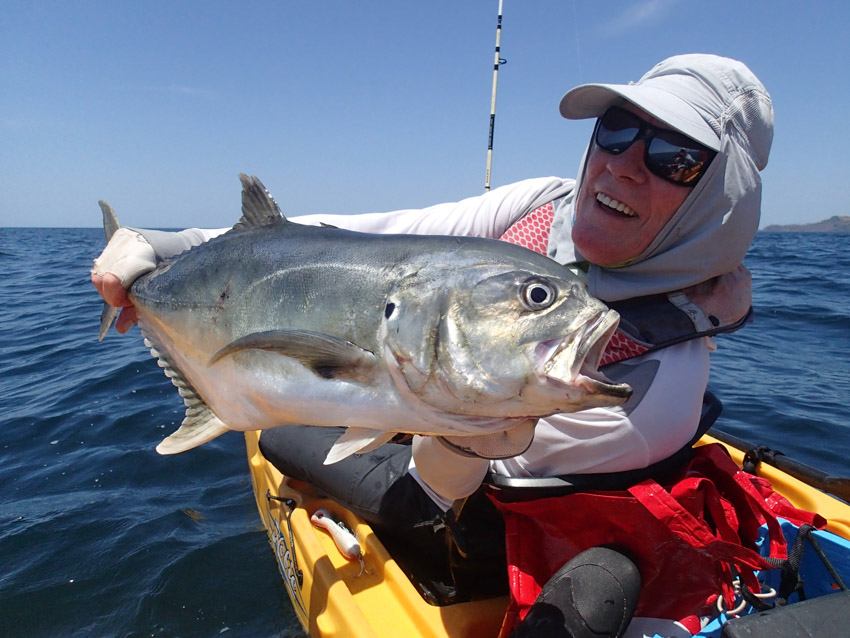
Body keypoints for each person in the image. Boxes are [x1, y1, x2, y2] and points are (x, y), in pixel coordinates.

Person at [92, 54, 773, 637]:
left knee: (276, 441)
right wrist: (168, 245)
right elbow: (372, 239)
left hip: (479, 507)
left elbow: (439, 484)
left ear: (719, 200)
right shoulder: (541, 205)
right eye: (616, 131)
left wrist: (462, 435)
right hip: (426, 386)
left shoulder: (662, 375)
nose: (624, 165)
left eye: (674, 158)